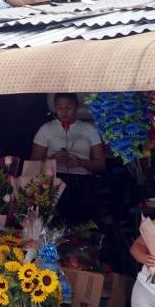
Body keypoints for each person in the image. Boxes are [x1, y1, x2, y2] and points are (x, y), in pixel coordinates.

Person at [30, 93, 106, 224]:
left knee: (83, 225)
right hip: (54, 182)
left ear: (76, 107)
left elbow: (101, 165)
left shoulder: (89, 129)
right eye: (59, 108)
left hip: (83, 182)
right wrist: (52, 160)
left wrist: (81, 162)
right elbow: (32, 165)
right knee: (56, 224)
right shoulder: (46, 129)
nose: (64, 112)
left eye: (68, 107)